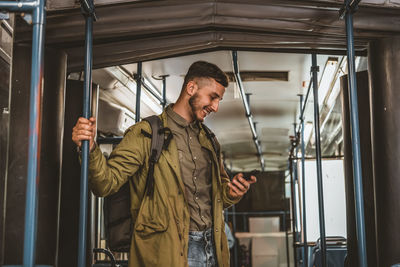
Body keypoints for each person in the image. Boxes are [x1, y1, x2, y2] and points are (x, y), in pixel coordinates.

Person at [72, 61, 257, 267]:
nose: (215, 107)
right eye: (213, 97)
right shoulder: (146, 134)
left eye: (219, 100)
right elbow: (105, 183)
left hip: (212, 247)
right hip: (168, 251)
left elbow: (219, 194)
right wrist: (90, 150)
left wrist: (232, 192)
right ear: (191, 88)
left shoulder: (210, 140)